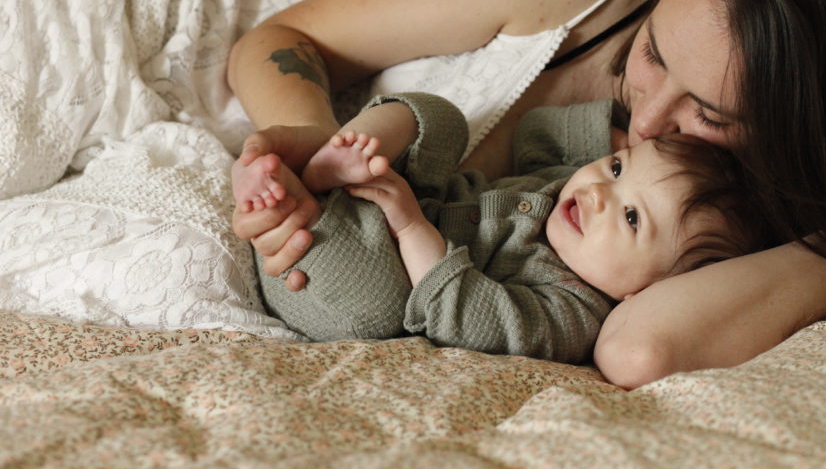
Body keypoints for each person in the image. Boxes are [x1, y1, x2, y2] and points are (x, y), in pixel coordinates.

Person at [227, 0, 826, 387]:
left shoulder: (727, 223)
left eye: (712, 116)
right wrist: (315, 152)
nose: (648, 120)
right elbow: (279, 40)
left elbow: (637, 349)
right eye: (654, 53)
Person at [238, 92, 771, 363]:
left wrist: (408, 226)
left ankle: (290, 200)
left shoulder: (575, 310)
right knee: (441, 118)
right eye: (616, 168)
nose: (600, 194)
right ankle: (339, 153)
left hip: (371, 280)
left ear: (646, 291)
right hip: (393, 189)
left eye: (632, 217)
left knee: (373, 307)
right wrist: (614, 142)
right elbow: (540, 130)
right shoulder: (568, 188)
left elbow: (470, 319)